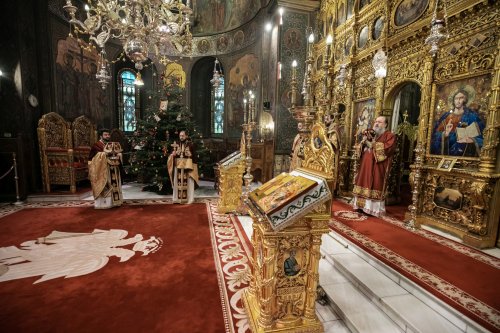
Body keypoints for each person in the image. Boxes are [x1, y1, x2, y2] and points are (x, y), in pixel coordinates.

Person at [353, 116, 397, 217]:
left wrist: (373, 145)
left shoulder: (390, 136)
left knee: (375, 183)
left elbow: (388, 149)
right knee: (363, 182)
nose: (376, 124)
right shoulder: (371, 133)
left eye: (380, 122)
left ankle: (372, 210)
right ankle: (361, 207)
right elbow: (361, 147)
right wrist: (363, 142)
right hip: (366, 165)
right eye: (376, 121)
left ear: (385, 124)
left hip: (378, 166)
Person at [431, 89, 485, 157]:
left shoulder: (471, 116)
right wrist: (445, 134)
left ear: (465, 100)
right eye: (456, 98)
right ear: (453, 100)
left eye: (461, 98)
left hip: (464, 153)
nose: (458, 101)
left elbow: (483, 137)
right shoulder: (446, 116)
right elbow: (434, 136)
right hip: (446, 151)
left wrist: (472, 140)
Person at [88, 128, 123, 209]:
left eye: (108, 135)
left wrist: (118, 154)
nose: (107, 136)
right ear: (101, 136)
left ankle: (114, 202)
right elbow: (92, 158)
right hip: (102, 170)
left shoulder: (111, 144)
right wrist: (105, 154)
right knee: (106, 186)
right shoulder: (96, 145)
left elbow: (115, 153)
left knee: (114, 184)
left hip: (112, 167)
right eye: (105, 135)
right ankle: (104, 204)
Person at [167, 130, 199, 204]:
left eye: (183, 136)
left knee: (189, 183)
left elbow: (194, 157)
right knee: (177, 183)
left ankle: (189, 199)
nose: (181, 137)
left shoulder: (190, 145)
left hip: (187, 167)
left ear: (186, 136)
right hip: (178, 167)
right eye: (180, 136)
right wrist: (173, 155)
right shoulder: (176, 144)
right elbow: (172, 155)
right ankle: (176, 199)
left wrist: (190, 155)